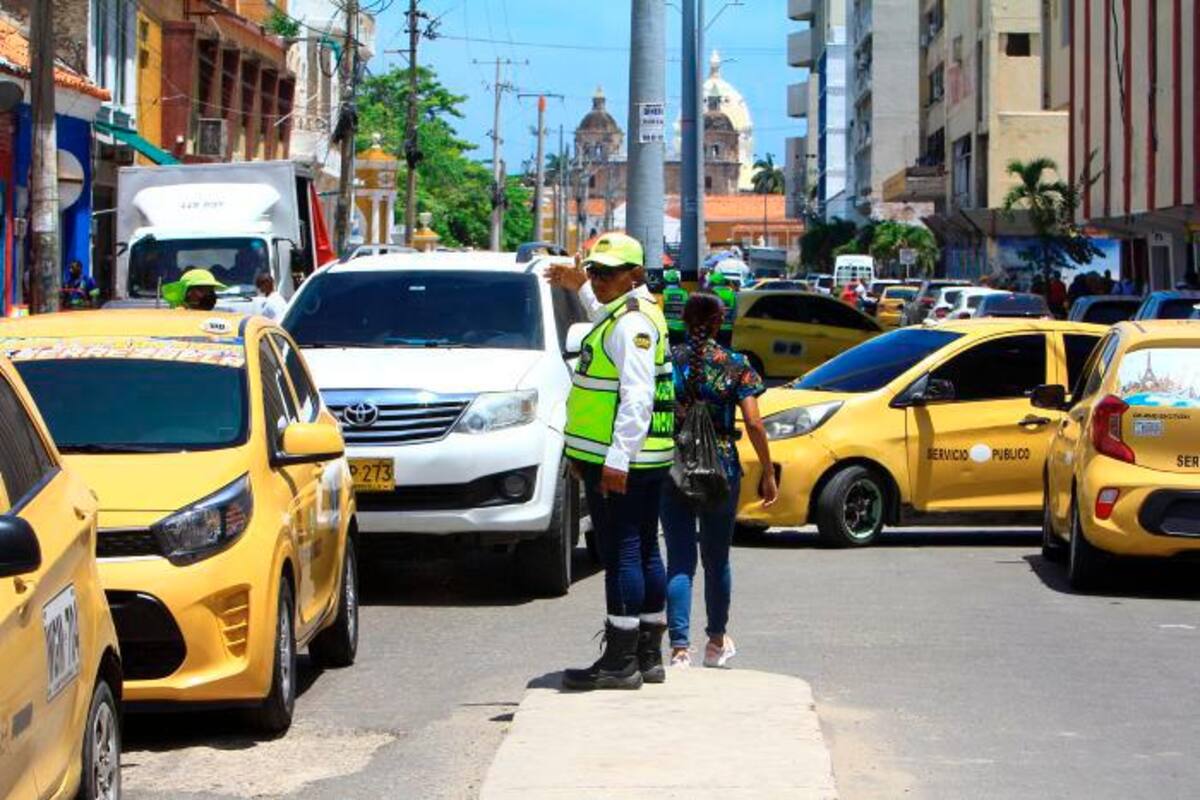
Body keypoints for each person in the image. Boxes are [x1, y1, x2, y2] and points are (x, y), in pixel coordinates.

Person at [546, 232, 676, 691]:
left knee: (624, 552)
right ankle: (647, 655)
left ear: (633, 275)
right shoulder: (631, 312)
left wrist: (617, 461)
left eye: (607, 273)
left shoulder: (631, 324)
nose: (598, 280)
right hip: (638, 459)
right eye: (595, 271)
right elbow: (604, 311)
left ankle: (621, 663)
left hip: (623, 462)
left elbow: (637, 398)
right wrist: (576, 283)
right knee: (643, 550)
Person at [661, 293, 777, 669]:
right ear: (716, 323)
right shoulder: (737, 365)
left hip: (674, 466)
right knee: (717, 560)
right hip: (722, 467)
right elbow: (756, 423)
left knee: (679, 561)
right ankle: (715, 643)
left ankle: (679, 649)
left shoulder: (667, 361)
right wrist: (768, 470)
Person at [162, 268, 227, 311]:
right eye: (203, 290)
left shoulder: (218, 317)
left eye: (210, 291)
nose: (209, 295)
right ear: (187, 292)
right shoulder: (178, 316)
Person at [706, 270, 737, 346]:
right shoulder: (731, 293)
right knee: (726, 350)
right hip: (728, 328)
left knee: (713, 351)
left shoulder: (710, 293)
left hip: (713, 328)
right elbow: (735, 312)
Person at [662, 268, 689, 345]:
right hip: (682, 328)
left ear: (665, 281)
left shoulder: (663, 294)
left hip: (667, 328)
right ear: (678, 281)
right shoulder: (685, 294)